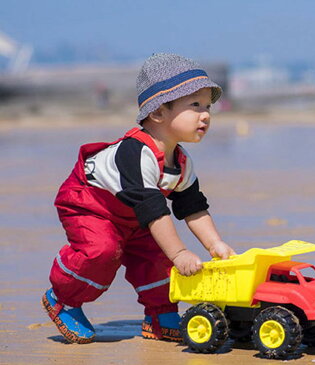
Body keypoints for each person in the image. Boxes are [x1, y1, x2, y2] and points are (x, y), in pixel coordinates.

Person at [42, 53, 236, 344]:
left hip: (135, 215)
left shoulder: (182, 161)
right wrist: (181, 253)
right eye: (195, 105)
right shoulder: (135, 153)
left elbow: (193, 207)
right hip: (91, 205)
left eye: (208, 106)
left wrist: (214, 244)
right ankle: (63, 298)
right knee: (102, 251)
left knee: (157, 258)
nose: (206, 114)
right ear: (158, 112)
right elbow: (154, 210)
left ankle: (160, 314)